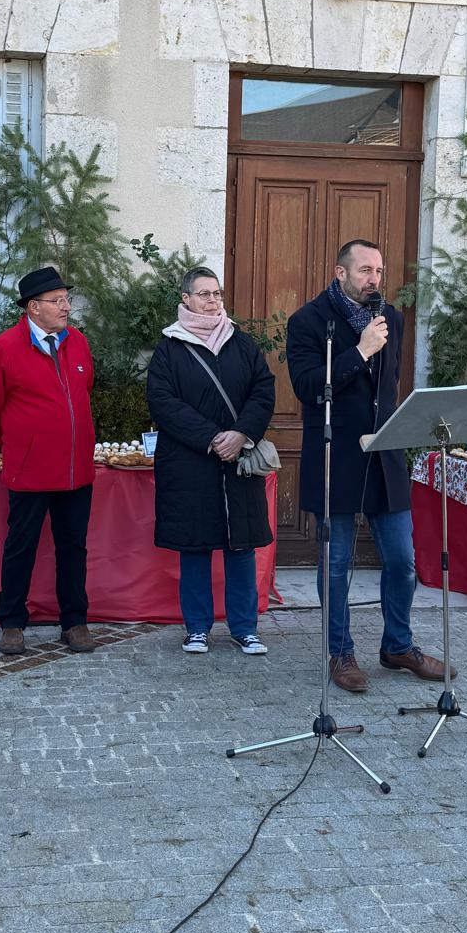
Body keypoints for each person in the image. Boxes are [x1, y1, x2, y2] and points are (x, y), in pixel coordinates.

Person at [286, 238, 447, 694]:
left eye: (378, 270)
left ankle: (398, 645)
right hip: (336, 456)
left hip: (384, 456)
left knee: (403, 561)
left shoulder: (391, 319)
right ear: (340, 273)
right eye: (364, 271)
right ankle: (340, 652)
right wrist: (359, 352)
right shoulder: (309, 321)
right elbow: (307, 387)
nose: (374, 279)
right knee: (336, 563)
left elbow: (389, 390)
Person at [147, 267, 276, 655]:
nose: (213, 301)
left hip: (238, 459)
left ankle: (244, 628)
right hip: (190, 463)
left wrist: (240, 434)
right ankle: (198, 628)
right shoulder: (170, 347)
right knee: (195, 547)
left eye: (217, 294)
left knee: (241, 547)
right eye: (204, 294)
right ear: (185, 299)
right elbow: (162, 402)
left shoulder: (241, 343)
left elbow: (264, 390)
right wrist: (211, 438)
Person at [0, 266, 97, 657]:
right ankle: (12, 623)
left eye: (67, 299)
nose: (66, 307)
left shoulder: (78, 342)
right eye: (57, 301)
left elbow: (85, 388)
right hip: (30, 469)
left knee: (73, 547)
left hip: (76, 469)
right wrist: (16, 443)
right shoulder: (6, 347)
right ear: (33, 307)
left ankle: (74, 622)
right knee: (20, 547)